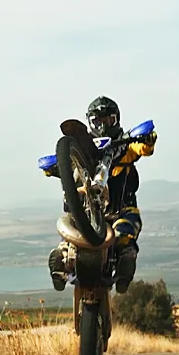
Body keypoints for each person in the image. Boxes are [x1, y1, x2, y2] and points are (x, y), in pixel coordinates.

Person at [43, 96, 157, 294]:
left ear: (116, 120)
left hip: (121, 209)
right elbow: (59, 164)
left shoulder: (126, 144)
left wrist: (147, 139)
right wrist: (54, 166)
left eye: (108, 120)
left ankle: (125, 265)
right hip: (86, 215)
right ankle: (60, 262)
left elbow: (143, 148)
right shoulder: (83, 148)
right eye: (97, 121)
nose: (103, 126)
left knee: (125, 236)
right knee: (67, 242)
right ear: (89, 122)